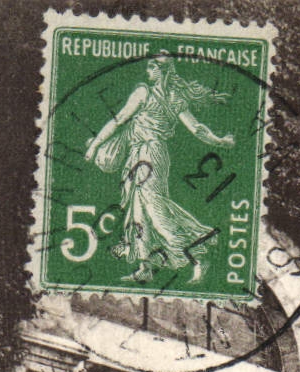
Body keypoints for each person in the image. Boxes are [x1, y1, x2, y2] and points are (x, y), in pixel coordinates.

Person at [82, 52, 235, 284]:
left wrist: (94, 145)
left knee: (154, 208)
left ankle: (197, 253)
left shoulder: (146, 93)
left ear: (161, 70)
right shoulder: (174, 97)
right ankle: (147, 266)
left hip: (150, 155)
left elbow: (118, 120)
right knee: (138, 208)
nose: (147, 72)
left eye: (151, 68)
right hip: (143, 154)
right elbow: (198, 129)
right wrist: (220, 141)